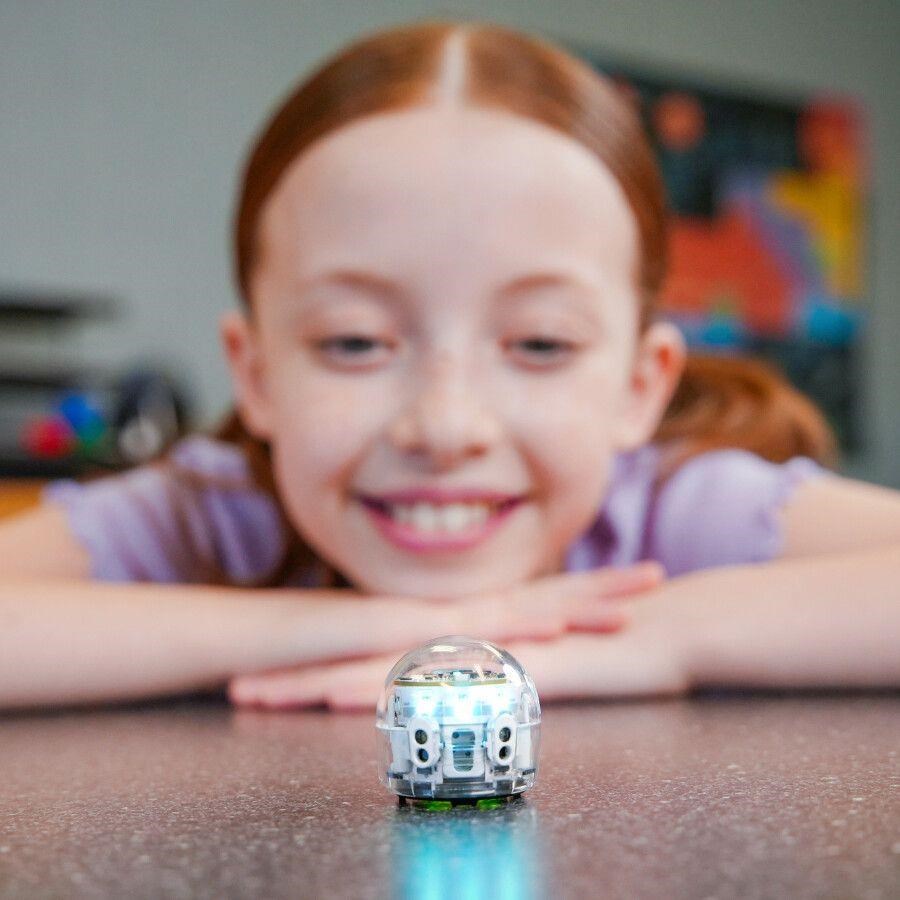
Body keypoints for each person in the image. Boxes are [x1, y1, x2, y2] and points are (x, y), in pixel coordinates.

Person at [1, 19, 898, 713]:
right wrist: (324, 629)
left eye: (540, 343)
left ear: (641, 386)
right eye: (355, 342)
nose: (444, 427)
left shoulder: (669, 510)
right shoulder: (214, 512)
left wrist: (665, 637)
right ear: (258, 375)